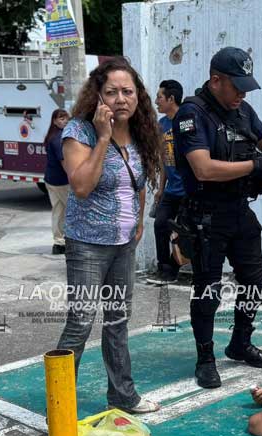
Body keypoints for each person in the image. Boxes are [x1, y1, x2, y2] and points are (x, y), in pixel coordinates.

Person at [173, 47, 262, 389]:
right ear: (216, 81)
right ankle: (206, 358)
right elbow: (203, 168)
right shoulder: (191, 114)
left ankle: (240, 342)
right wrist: (255, 164)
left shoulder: (243, 110)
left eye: (246, 87)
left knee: (256, 281)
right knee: (207, 292)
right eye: (237, 86)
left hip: (239, 210)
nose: (242, 93)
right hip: (206, 215)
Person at [57, 58, 164, 414]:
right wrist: (103, 138)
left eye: (128, 91)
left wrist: (138, 222)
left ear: (138, 96)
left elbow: (138, 181)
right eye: (112, 92)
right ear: (98, 96)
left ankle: (123, 395)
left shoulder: (141, 133)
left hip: (123, 245)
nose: (121, 99)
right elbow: (82, 185)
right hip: (87, 243)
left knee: (117, 320)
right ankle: (59, 405)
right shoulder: (79, 131)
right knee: (81, 321)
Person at [147, 79, 186, 285]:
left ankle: (178, 265)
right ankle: (164, 269)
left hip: (189, 190)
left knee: (188, 230)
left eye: (160, 97)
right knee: (160, 224)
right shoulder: (162, 125)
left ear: (171, 99)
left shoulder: (187, 121)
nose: (156, 101)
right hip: (171, 190)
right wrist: (160, 189)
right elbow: (163, 160)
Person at [44, 108, 71, 255]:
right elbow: (64, 162)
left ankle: (59, 242)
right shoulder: (59, 138)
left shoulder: (51, 136)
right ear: (54, 121)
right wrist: (74, 178)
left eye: (66, 118)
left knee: (58, 211)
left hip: (50, 179)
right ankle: (71, 241)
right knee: (72, 210)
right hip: (61, 181)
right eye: (61, 119)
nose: (65, 121)